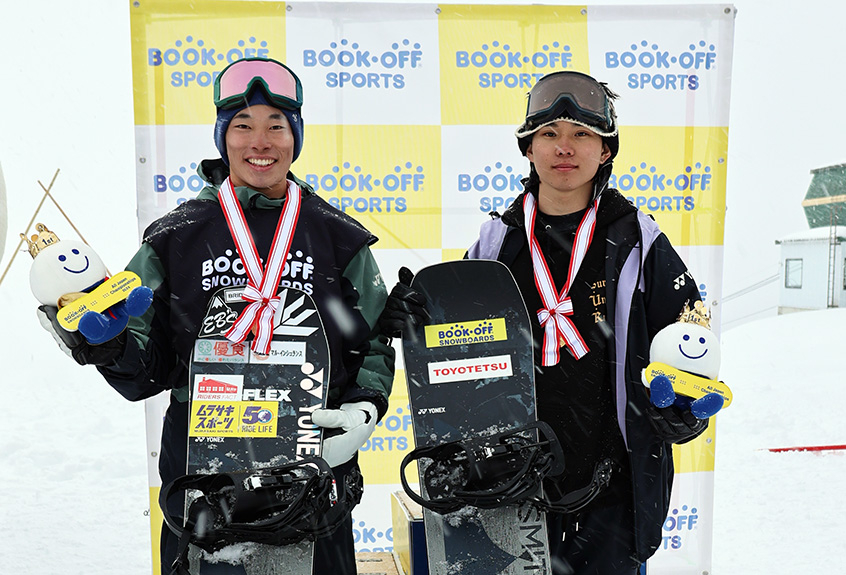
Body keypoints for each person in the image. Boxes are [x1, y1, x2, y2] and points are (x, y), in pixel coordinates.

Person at [38, 57, 395, 574]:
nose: (260, 142)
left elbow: (372, 341)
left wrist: (364, 408)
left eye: (276, 126)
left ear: (295, 137)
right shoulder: (175, 237)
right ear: (223, 138)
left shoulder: (336, 237)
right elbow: (145, 370)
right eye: (243, 126)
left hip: (311, 463)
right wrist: (112, 345)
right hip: (203, 469)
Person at [380, 70, 708, 574]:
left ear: (606, 150)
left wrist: (685, 406)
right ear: (528, 149)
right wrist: (413, 316)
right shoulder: (498, 243)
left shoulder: (638, 241)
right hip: (509, 475)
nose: (564, 147)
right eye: (549, 133)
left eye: (582, 134)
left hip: (611, 483)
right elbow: (455, 348)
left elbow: (689, 333)